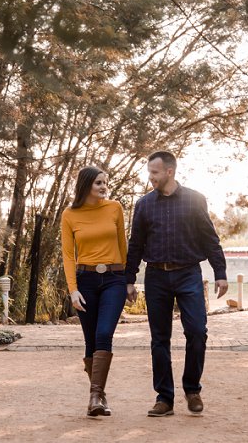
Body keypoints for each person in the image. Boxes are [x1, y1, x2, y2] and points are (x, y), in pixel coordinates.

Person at [125, 151, 227, 417]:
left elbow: (210, 239)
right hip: (156, 276)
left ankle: (192, 389)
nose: (151, 178)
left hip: (188, 274)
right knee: (160, 339)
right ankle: (164, 398)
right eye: (150, 173)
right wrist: (129, 280)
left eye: (155, 173)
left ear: (169, 171)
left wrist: (220, 272)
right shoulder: (144, 205)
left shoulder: (195, 200)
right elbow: (135, 245)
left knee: (197, 332)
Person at [60, 166, 128, 417]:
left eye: (105, 183)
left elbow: (123, 245)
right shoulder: (69, 214)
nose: (103, 187)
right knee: (91, 341)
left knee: (103, 333)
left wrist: (128, 280)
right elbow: (68, 256)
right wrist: (73, 290)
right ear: (86, 185)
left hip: (114, 279)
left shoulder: (115, 208)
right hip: (85, 280)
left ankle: (95, 395)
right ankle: (99, 396)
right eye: (98, 182)